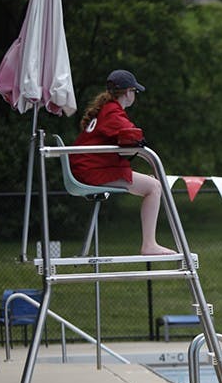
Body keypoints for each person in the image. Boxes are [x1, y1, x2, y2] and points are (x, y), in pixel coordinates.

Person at [70, 69, 175, 255]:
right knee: (154, 188)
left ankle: (150, 244)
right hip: (92, 172)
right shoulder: (112, 113)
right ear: (128, 92)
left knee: (151, 184)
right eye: (135, 92)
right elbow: (133, 135)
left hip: (89, 169)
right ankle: (149, 245)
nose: (135, 95)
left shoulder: (106, 109)